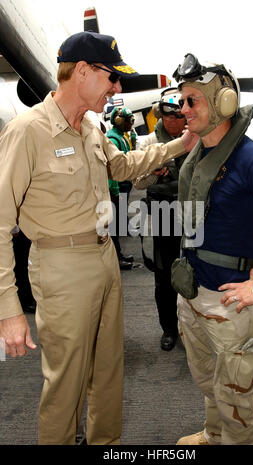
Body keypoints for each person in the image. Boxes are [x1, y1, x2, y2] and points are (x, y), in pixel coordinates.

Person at [0, 31, 195, 445]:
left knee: (108, 370)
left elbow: (123, 166)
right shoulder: (27, 132)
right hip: (61, 268)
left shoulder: (90, 126)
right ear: (83, 72)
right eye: (112, 78)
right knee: (66, 382)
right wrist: (9, 309)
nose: (117, 88)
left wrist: (181, 143)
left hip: (105, 258)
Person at [171, 53, 253, 445]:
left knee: (237, 396)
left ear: (223, 102)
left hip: (231, 303)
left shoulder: (251, 158)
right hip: (194, 294)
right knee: (211, 382)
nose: (183, 108)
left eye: (192, 100)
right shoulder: (198, 153)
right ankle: (213, 434)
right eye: (182, 100)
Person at [134, 88, 193, 351]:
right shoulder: (147, 142)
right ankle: (169, 329)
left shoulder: (195, 138)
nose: (174, 121)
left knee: (195, 270)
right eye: (169, 116)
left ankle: (192, 327)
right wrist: (153, 173)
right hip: (162, 213)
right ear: (161, 115)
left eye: (180, 116)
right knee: (164, 275)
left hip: (192, 211)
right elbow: (137, 183)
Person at [107, 107, 136, 270]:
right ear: (119, 121)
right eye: (129, 121)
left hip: (123, 186)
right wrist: (115, 190)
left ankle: (119, 255)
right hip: (117, 188)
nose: (131, 124)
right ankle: (115, 259)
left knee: (118, 225)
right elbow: (112, 168)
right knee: (114, 227)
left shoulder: (121, 137)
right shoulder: (113, 139)